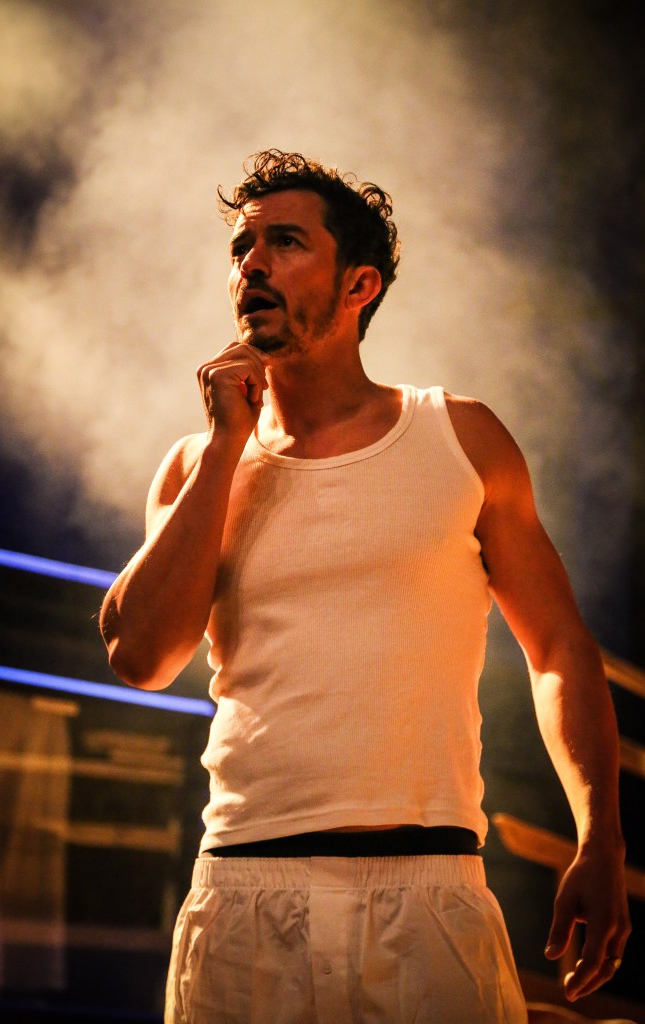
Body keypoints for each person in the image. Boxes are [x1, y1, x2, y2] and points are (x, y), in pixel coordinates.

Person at [100, 150, 630, 1024]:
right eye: (240, 248)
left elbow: (558, 651)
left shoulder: (459, 436)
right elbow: (141, 658)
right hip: (242, 895)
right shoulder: (196, 464)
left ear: (358, 285)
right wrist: (227, 444)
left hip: (429, 892)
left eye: (284, 242)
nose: (251, 264)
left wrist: (599, 835)